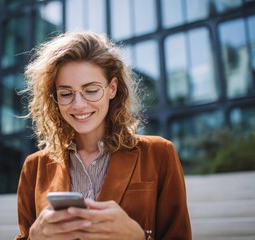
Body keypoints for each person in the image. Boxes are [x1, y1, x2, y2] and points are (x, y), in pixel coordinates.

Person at [15, 31, 191, 240]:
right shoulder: (34, 167)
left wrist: (139, 237)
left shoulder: (159, 153)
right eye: (66, 93)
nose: (78, 105)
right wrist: (34, 237)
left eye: (91, 90)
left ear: (112, 89)